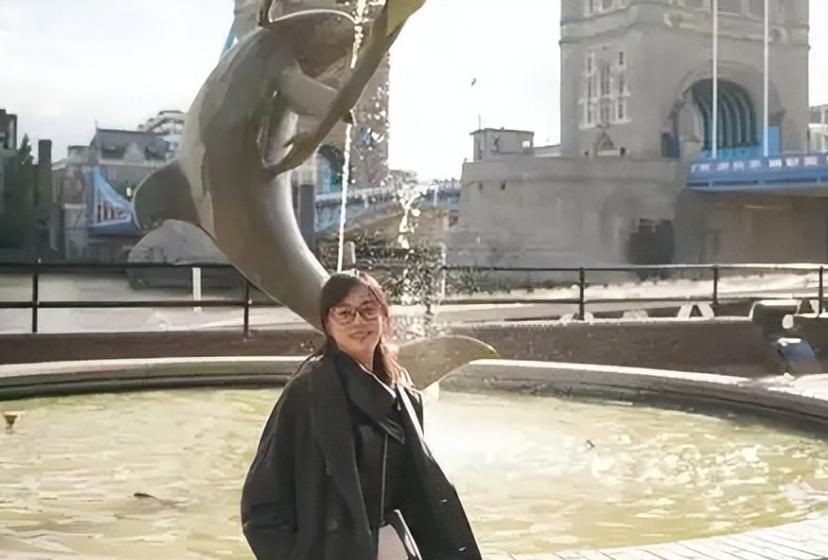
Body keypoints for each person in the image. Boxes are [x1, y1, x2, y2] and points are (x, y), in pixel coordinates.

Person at [241, 271, 482, 560]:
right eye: (344, 313)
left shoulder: (401, 390)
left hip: (391, 544)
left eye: (368, 310)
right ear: (327, 323)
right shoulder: (308, 392)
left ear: (383, 317)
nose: (358, 321)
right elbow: (262, 505)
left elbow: (417, 491)